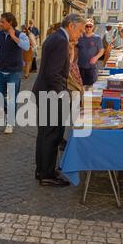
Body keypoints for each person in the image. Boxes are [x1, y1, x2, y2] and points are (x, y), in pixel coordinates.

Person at [33, 13, 86, 187]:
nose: (79, 35)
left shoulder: (56, 37)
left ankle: (43, 170)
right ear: (71, 25)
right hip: (51, 95)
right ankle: (47, 174)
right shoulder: (60, 40)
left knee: (45, 134)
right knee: (52, 135)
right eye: (79, 31)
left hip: (46, 92)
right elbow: (53, 74)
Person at [0, 12, 30, 134]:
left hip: (14, 72)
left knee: (11, 98)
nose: (0, 23)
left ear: (10, 23)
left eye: (3, 22)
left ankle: (10, 123)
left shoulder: (21, 34)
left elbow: (26, 47)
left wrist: (14, 37)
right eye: (0, 21)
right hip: (1, 71)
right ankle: (10, 112)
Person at [77, 18, 104, 89]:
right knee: (80, 87)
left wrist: (96, 57)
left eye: (90, 26)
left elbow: (101, 50)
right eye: (87, 26)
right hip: (80, 66)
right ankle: (81, 100)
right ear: (84, 26)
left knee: (90, 88)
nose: (88, 28)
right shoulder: (80, 36)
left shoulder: (97, 38)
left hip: (91, 68)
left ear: (93, 27)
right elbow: (75, 48)